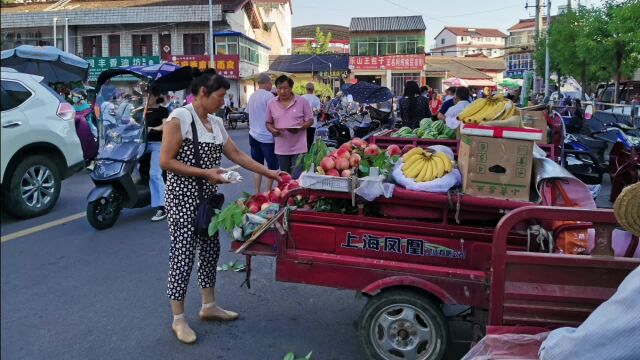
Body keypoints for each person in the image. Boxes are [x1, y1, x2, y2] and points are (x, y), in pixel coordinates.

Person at [160, 70, 283, 344]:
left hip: (207, 200)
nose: (223, 101)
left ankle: (208, 306)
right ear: (203, 93)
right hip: (182, 199)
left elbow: (236, 154)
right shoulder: (180, 118)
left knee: (210, 250)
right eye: (220, 95)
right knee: (182, 256)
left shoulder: (215, 122)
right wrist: (206, 173)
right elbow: (166, 161)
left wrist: (270, 172)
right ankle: (178, 319)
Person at [265, 75, 314, 178]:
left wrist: (301, 127)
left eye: (285, 88)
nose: (282, 91)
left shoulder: (302, 101)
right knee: (285, 178)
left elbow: (310, 120)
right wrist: (273, 131)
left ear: (291, 88)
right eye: (280, 88)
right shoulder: (271, 103)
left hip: (299, 148)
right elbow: (268, 123)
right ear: (276, 88)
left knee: (297, 178)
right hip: (281, 149)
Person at [247, 73, 278, 194]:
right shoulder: (269, 96)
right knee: (272, 166)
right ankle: (267, 192)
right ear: (266, 83)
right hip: (267, 137)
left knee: (257, 165)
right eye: (271, 82)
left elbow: (249, 113)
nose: (271, 85)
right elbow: (274, 115)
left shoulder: (252, 96)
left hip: (253, 134)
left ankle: (256, 192)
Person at [144, 89, 169, 221]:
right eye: (145, 94)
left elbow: (165, 126)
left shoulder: (163, 110)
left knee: (154, 174)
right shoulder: (141, 110)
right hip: (141, 144)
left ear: (156, 96)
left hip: (157, 144)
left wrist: (152, 129)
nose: (146, 97)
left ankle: (163, 207)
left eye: (150, 95)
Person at [70, 88, 98, 163]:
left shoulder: (86, 107)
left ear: (81, 97)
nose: (73, 97)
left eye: (75, 96)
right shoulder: (72, 107)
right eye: (72, 96)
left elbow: (87, 120)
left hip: (86, 130)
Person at [301, 82, 322, 151]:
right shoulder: (316, 99)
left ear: (306, 89)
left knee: (302, 141)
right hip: (312, 123)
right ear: (313, 89)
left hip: (303, 123)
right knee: (310, 141)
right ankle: (308, 156)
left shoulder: (301, 98)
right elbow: (318, 111)